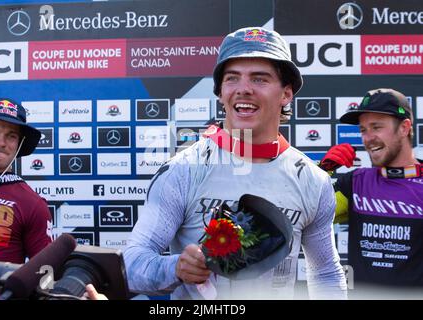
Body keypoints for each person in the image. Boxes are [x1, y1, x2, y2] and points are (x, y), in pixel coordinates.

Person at [123, 27, 347, 300]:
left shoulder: (313, 180)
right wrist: (176, 267)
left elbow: (325, 273)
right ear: (220, 92)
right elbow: (131, 265)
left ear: (286, 94)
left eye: (260, 79)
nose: (243, 89)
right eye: (232, 79)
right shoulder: (183, 170)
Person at [319, 88, 423, 297]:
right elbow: (307, 215)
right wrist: (321, 172)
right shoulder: (356, 182)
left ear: (404, 128)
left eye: (376, 127)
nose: (368, 138)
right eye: (363, 129)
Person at [0, 98, 53, 265]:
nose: (1, 142)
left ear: (19, 143)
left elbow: (46, 273)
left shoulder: (32, 204)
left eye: (11, 136)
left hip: (0, 292)